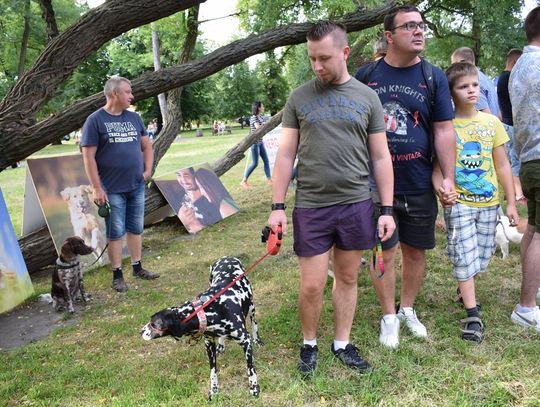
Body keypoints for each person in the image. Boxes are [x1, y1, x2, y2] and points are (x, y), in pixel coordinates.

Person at [268, 20, 395, 375]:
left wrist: (386, 209)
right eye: (312, 59)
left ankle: (342, 342)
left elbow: (381, 157)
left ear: (345, 52)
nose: (317, 66)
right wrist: (277, 207)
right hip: (311, 206)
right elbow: (284, 155)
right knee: (311, 284)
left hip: (356, 203)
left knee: (348, 277)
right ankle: (309, 343)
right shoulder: (299, 98)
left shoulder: (367, 98)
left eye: (324, 58)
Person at [355, 4, 456, 349]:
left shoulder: (433, 76)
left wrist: (448, 176)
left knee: (416, 250)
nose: (418, 31)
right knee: (384, 249)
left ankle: (407, 309)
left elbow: (443, 130)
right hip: (374, 184)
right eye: (409, 26)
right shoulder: (366, 76)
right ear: (389, 36)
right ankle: (387, 316)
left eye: (421, 25)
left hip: (417, 179)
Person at [436, 62, 518, 342]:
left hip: (488, 202)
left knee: (481, 256)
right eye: (463, 87)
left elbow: (503, 164)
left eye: (474, 85)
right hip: (459, 203)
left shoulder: (491, 122)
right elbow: (436, 168)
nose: (471, 91)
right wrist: (441, 189)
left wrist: (509, 203)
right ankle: (473, 314)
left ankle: (464, 288)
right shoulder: (446, 127)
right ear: (451, 93)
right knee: (463, 253)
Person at [81, 76, 159, 293]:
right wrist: (97, 187)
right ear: (115, 94)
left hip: (136, 185)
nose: (131, 96)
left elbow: (147, 146)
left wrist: (147, 170)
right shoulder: (95, 120)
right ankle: (117, 274)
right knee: (115, 232)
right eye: (128, 92)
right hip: (111, 189)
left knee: (135, 228)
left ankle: (137, 267)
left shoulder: (134, 118)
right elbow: (88, 158)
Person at [509, 6, 540, 332]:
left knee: (532, 228)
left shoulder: (519, 66)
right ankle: (526, 307)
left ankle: (532, 291)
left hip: (529, 158)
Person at [497, 48, 525, 203]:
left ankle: (515, 192)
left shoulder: (504, 78)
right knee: (514, 161)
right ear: (514, 62)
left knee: (515, 160)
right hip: (510, 125)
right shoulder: (508, 78)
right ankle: (518, 194)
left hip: (510, 124)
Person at [451, 47, 500, 118]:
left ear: (462, 62)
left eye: (454, 65)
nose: (453, 69)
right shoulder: (484, 77)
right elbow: (499, 114)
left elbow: (486, 116)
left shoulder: (471, 81)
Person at [176, 167, 222, 233]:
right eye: (179, 175)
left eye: (187, 175)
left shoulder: (210, 198)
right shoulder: (180, 198)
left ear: (195, 176)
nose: (183, 181)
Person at [240, 101, 272, 189]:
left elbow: (265, 124)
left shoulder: (260, 117)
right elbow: (258, 128)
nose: (263, 107)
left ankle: (269, 180)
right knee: (255, 163)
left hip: (260, 142)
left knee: (266, 161)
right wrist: (266, 124)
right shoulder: (254, 118)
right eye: (262, 106)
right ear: (258, 108)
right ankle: (244, 181)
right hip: (254, 143)